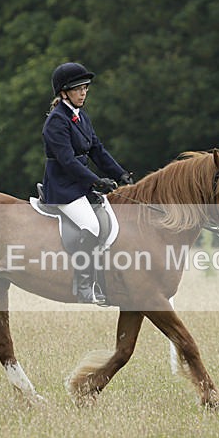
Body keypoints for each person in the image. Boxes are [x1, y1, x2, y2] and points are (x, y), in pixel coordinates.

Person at [41, 62, 134, 304]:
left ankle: (106, 280)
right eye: (78, 89)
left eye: (85, 88)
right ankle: (83, 285)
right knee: (91, 225)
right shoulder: (56, 121)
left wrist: (120, 174)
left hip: (80, 184)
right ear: (64, 93)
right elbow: (67, 161)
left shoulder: (81, 117)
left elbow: (97, 150)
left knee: (108, 222)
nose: (83, 93)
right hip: (63, 187)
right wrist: (96, 181)